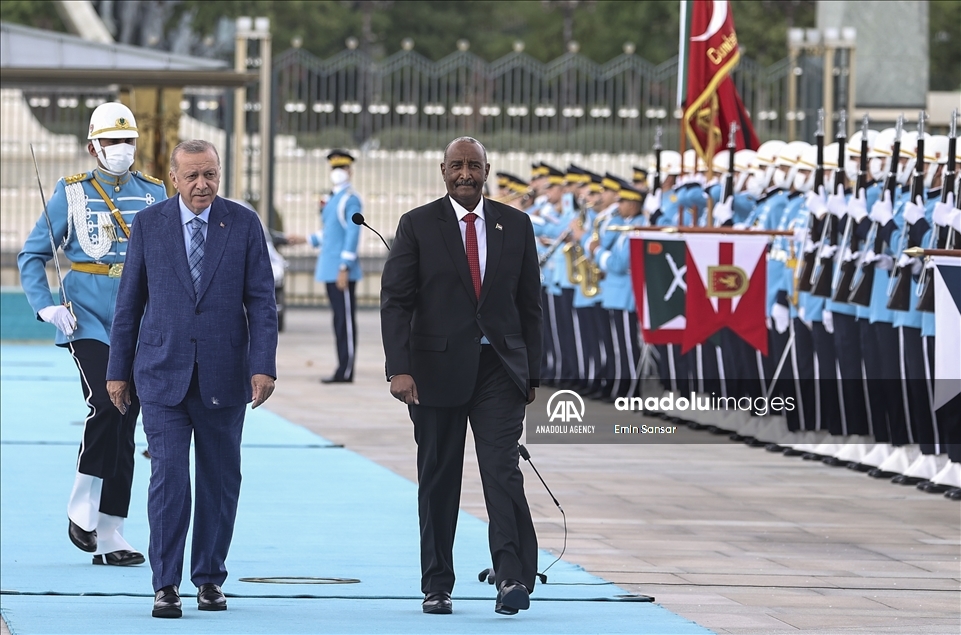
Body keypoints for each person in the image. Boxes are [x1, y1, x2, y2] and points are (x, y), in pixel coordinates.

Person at [105, 140, 278, 618]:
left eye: (210, 174)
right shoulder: (149, 224)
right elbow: (129, 303)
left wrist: (263, 365)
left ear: (219, 174)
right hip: (161, 375)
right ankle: (165, 584)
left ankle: (209, 579)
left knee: (220, 481)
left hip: (225, 375)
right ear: (174, 179)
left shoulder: (243, 223)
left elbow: (262, 302)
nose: (202, 184)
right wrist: (117, 371)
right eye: (192, 176)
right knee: (169, 480)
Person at [380, 136, 542, 616]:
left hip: (499, 371)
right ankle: (437, 584)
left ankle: (511, 577)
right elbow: (396, 302)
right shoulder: (417, 225)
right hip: (434, 373)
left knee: (502, 472)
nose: (465, 174)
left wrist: (532, 372)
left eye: (474, 165)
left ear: (487, 170)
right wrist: (399, 368)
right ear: (443, 170)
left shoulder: (516, 224)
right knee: (439, 478)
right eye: (457, 165)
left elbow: (530, 305)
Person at [18, 101, 167, 567]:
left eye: (127, 140)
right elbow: (32, 254)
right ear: (92, 148)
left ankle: (111, 530)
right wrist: (45, 306)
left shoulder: (154, 192)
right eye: (111, 141)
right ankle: (81, 505)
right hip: (86, 316)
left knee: (127, 417)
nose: (121, 148)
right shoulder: (71, 192)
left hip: (138, 317)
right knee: (104, 401)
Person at [310, 150, 363, 383]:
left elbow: (353, 233)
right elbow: (330, 232)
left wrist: (344, 266)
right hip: (329, 268)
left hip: (341, 270)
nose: (337, 172)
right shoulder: (332, 198)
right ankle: (342, 367)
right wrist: (305, 239)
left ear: (350, 171)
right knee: (338, 321)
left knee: (345, 322)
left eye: (341, 168)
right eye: (334, 168)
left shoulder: (350, 199)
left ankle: (346, 370)